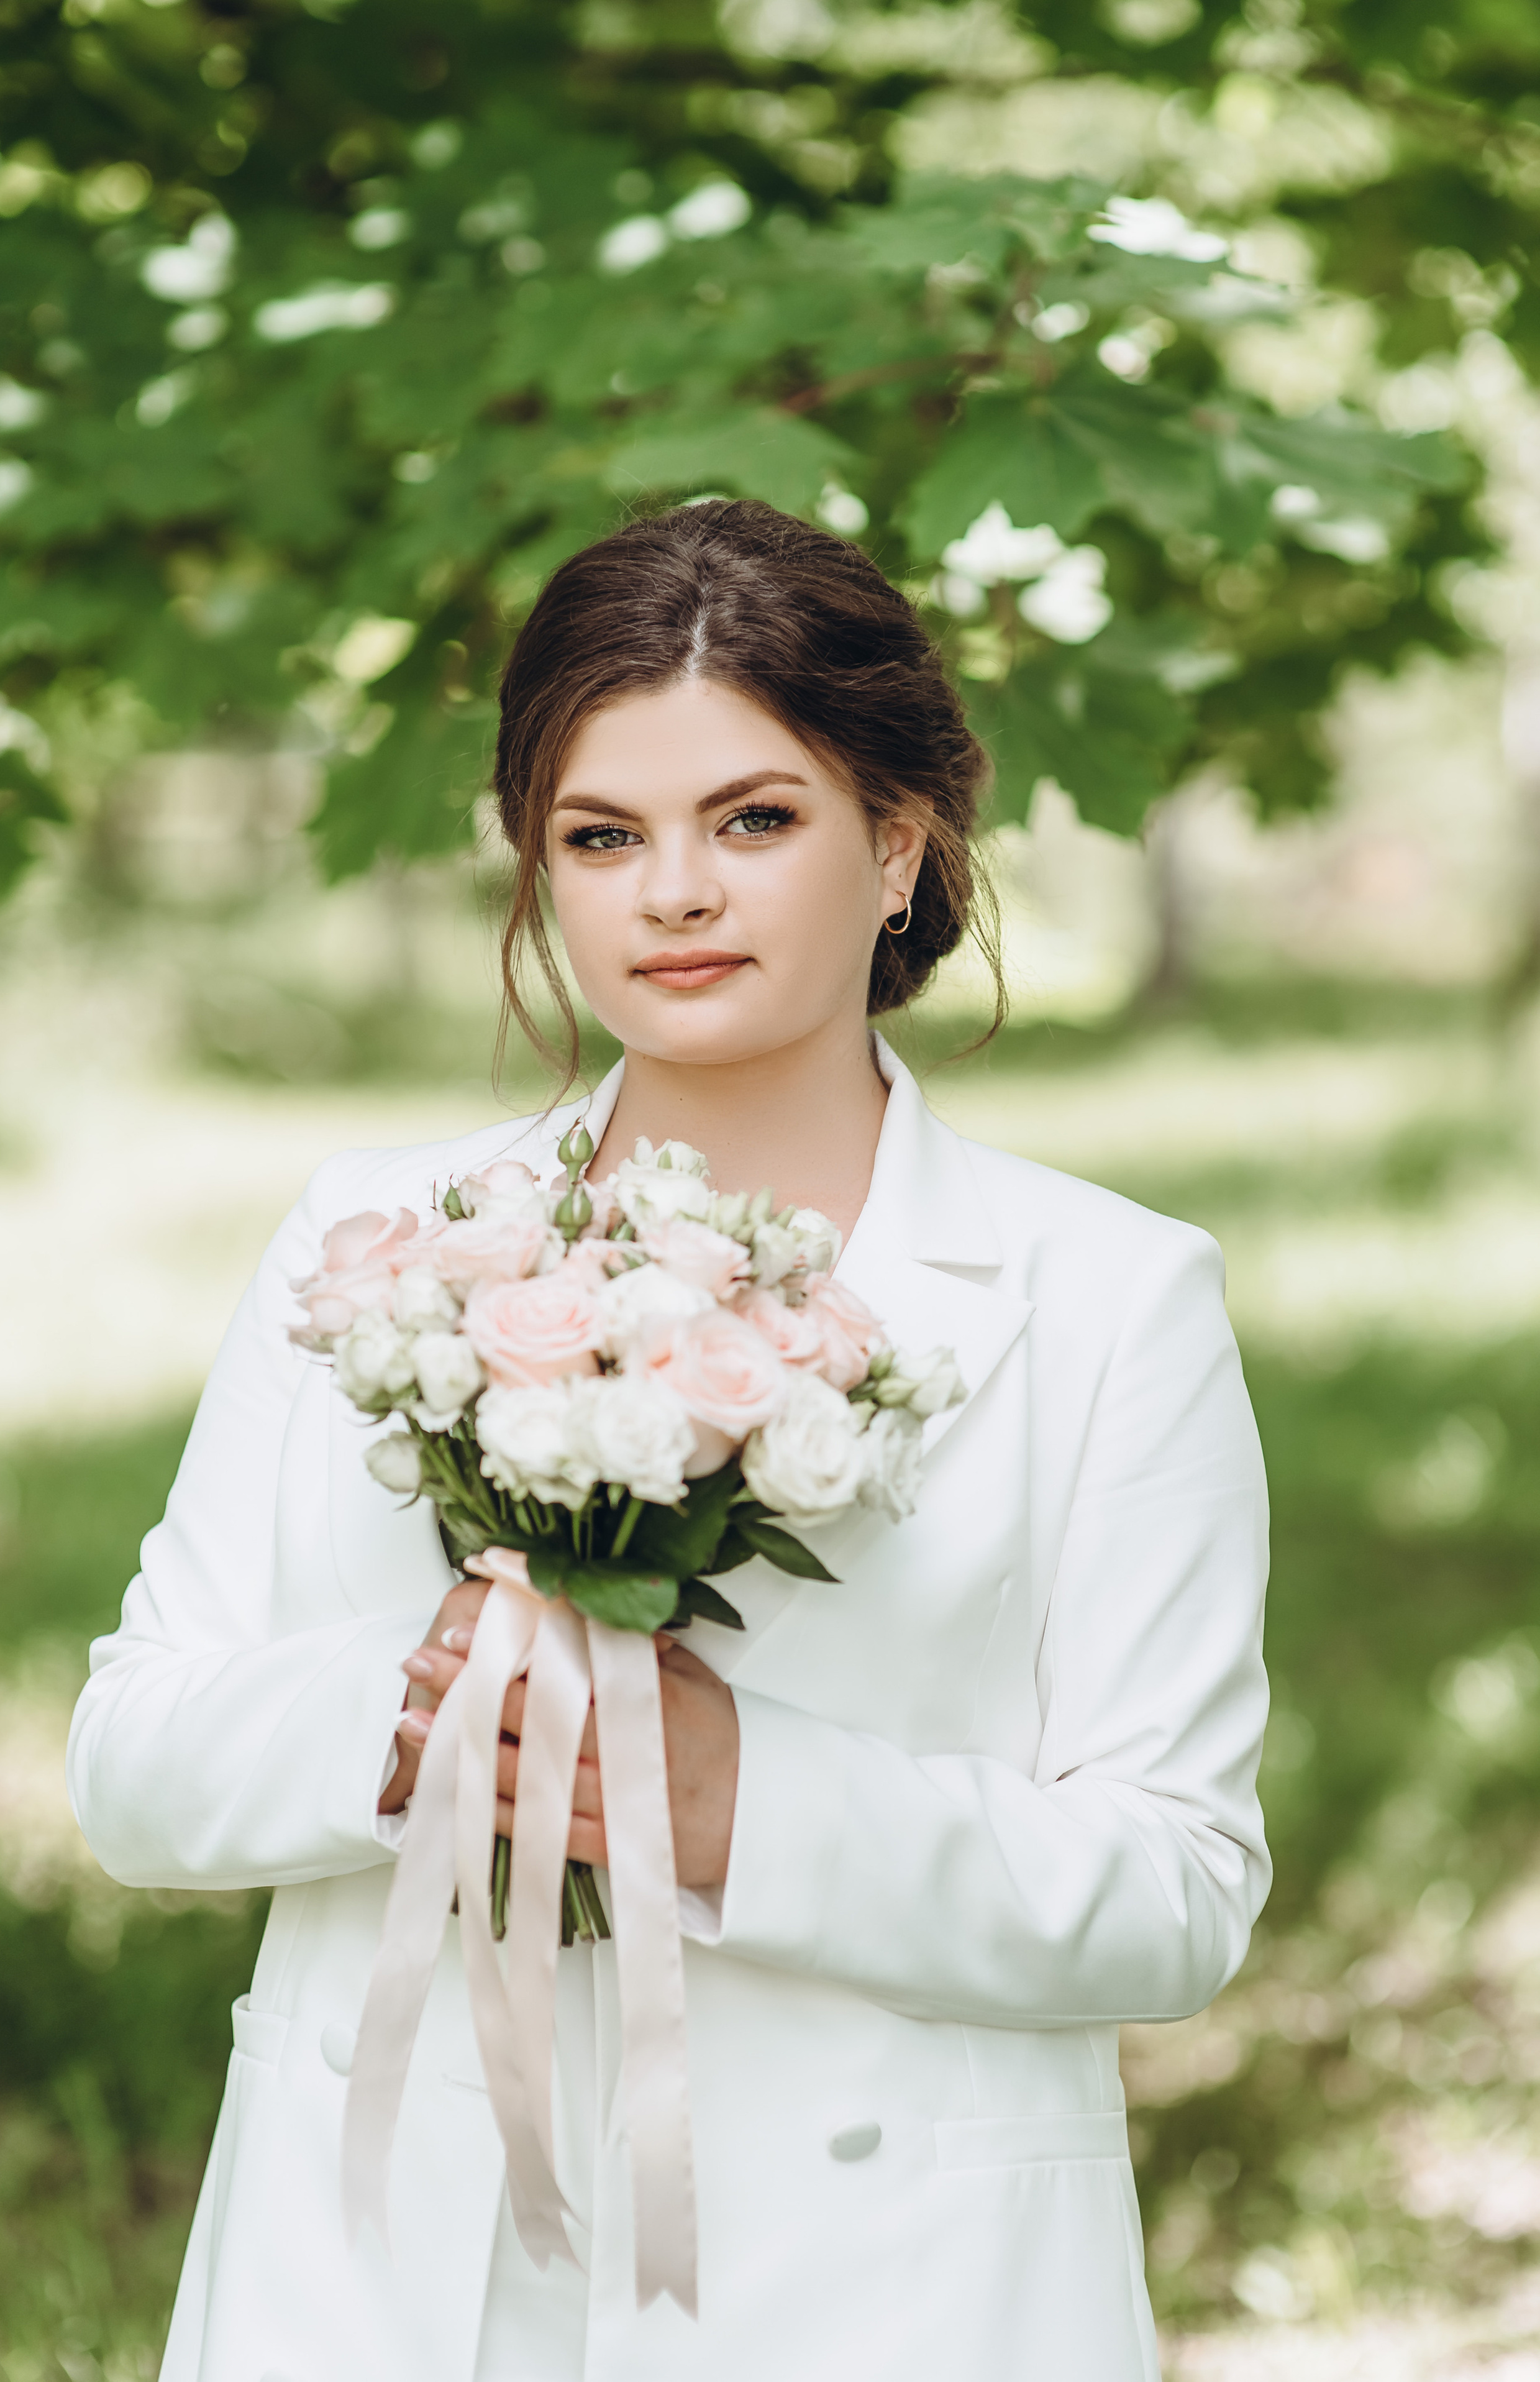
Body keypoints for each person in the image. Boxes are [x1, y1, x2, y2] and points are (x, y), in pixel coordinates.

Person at [67, 498, 1270, 2382]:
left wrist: (731, 1791)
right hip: (394, 2261)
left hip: (879, 2279)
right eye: (601, 836)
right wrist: (409, 1711)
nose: (674, 892)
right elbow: (133, 1761)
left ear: (900, 846)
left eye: (755, 819)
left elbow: (1176, 1889)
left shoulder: (1109, 1299)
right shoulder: (377, 1250)